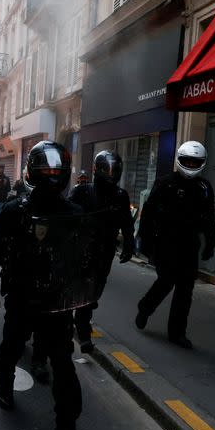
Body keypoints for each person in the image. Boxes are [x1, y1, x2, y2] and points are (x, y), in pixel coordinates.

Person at [0, 140, 86, 430]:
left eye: (56, 170)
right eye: (47, 170)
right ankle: (5, 384)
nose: (52, 176)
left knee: (64, 368)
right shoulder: (16, 211)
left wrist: (83, 297)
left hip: (56, 303)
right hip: (23, 295)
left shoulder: (74, 215)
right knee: (12, 346)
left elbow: (83, 261)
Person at [135, 141, 215, 349]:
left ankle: (177, 332)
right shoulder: (165, 183)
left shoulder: (204, 187)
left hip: (190, 244)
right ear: (179, 160)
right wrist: (145, 240)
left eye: (194, 162)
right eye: (187, 161)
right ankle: (145, 307)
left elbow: (209, 217)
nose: (190, 165)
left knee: (185, 290)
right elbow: (149, 213)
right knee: (166, 281)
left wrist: (210, 242)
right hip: (166, 242)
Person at [69, 150, 134, 353]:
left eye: (114, 170)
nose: (111, 173)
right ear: (98, 170)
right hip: (82, 249)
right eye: (107, 169)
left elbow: (126, 222)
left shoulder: (121, 196)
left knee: (97, 288)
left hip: (105, 250)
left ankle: (83, 312)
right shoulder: (82, 191)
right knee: (85, 290)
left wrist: (129, 244)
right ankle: (83, 330)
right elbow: (66, 217)